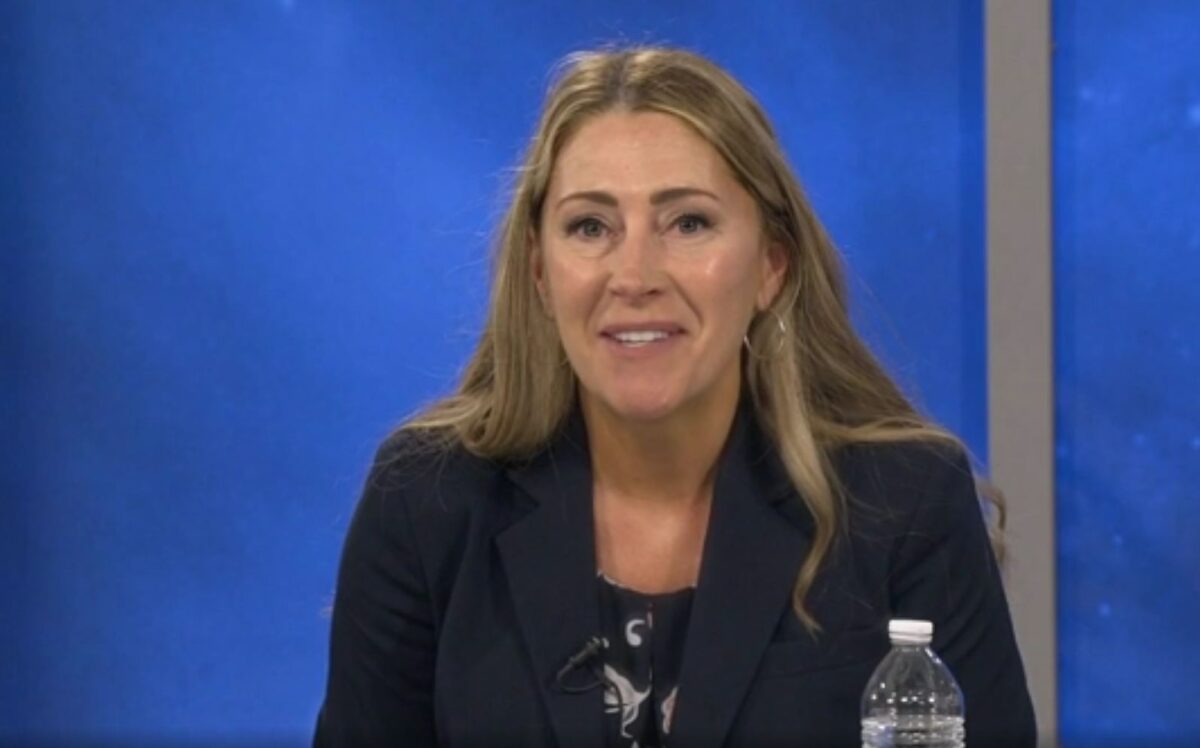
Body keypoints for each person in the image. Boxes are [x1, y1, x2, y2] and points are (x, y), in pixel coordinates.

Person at [312, 46, 1036, 748]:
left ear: (770, 268)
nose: (634, 275)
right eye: (590, 226)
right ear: (540, 270)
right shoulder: (429, 502)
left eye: (688, 222)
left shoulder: (904, 506)